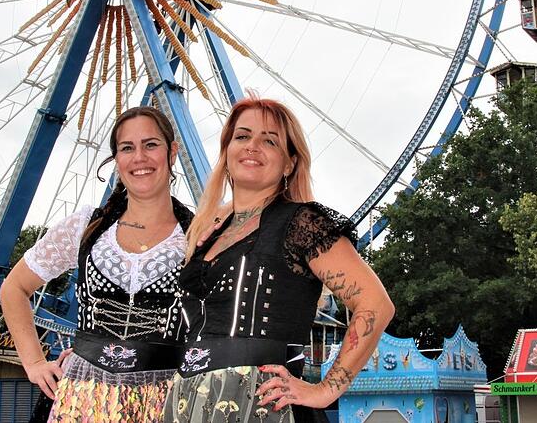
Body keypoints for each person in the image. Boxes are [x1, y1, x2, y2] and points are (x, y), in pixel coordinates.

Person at [162, 97, 394, 422]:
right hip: (189, 402)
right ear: (226, 152)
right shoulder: (206, 234)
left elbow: (375, 303)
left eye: (269, 140)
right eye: (242, 136)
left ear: (289, 164)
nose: (252, 146)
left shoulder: (302, 223)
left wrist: (326, 389)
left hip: (261, 405)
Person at [0, 106, 194, 422]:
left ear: (172, 152)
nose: (139, 157)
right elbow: (14, 287)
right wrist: (34, 363)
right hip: (82, 395)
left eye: (151, 145)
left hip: (167, 396)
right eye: (127, 148)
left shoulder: (199, 235)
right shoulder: (85, 227)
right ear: (117, 160)